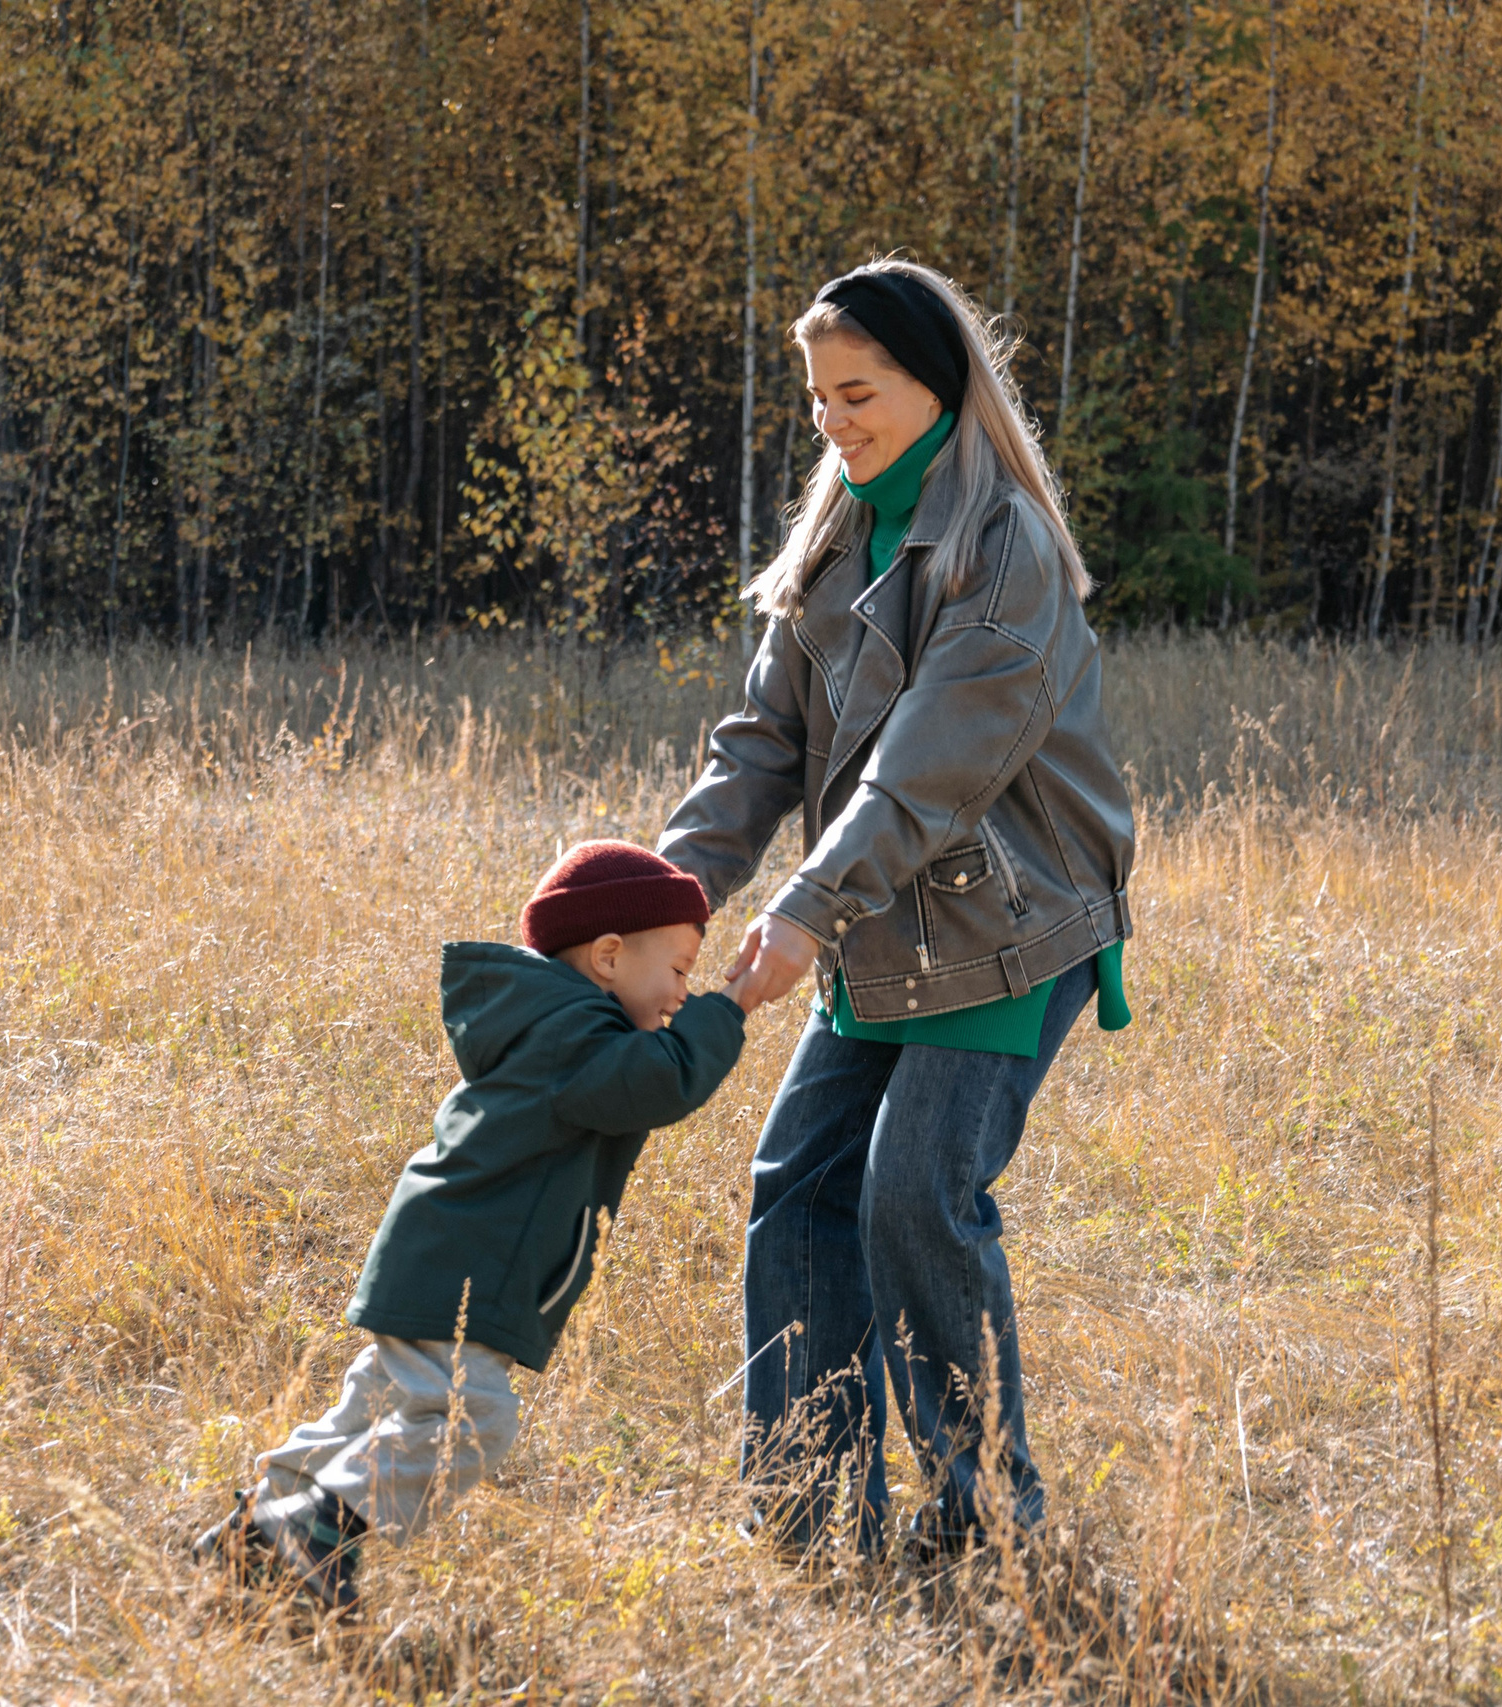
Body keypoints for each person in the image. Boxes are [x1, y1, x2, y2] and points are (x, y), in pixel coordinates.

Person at [657, 258, 1136, 1563]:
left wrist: (804, 908)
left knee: (916, 1196)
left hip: (1007, 926)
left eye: (856, 393)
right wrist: (670, 893)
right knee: (799, 1182)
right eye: (817, 400)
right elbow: (762, 739)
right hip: (878, 922)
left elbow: (930, 763)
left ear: (939, 383)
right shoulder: (833, 539)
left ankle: (991, 1515)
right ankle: (817, 1501)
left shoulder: (1005, 549)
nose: (835, 422)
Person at [194, 840, 750, 1611]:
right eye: (682, 970)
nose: (686, 991)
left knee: (378, 1409)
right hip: (468, 1271)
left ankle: (258, 1525)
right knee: (469, 1417)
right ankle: (316, 1534)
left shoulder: (554, 1019)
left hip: (441, 1253)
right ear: (610, 954)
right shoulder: (574, 1036)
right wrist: (733, 1010)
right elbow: (658, 1082)